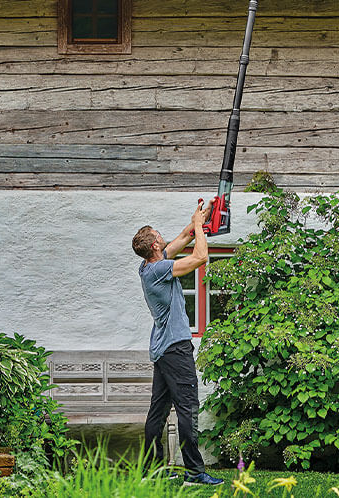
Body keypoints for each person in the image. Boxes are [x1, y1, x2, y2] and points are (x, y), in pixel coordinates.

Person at [131, 201, 222, 486]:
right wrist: (198, 228)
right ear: (156, 245)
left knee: (157, 412)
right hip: (175, 348)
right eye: (160, 235)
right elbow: (199, 258)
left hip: (162, 349)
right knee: (187, 408)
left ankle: (151, 470)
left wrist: (200, 219)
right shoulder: (160, 270)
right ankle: (195, 472)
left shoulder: (148, 265)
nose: (164, 237)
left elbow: (183, 238)